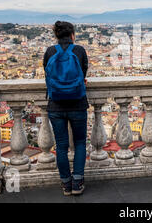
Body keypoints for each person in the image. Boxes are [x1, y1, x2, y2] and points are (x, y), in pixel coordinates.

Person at [43, 21, 89, 196]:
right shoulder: (79, 51)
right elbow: (83, 72)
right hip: (78, 103)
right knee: (79, 144)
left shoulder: (50, 51)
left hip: (56, 105)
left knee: (61, 146)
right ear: (72, 35)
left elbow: (47, 74)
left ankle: (65, 184)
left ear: (56, 35)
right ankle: (77, 182)